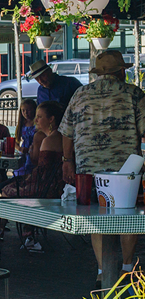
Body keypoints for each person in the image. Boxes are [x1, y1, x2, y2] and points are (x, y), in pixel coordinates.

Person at [59, 50, 145, 279]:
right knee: (129, 218)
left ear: (99, 73)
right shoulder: (133, 93)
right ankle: (127, 268)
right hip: (127, 171)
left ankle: (101, 270)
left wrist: (68, 161)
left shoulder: (80, 94)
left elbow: (66, 133)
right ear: (121, 72)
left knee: (98, 216)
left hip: (89, 170)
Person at [14, 99, 41, 178]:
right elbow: (15, 141)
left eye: (29, 110)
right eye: (23, 110)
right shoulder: (22, 124)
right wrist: (19, 148)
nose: (26, 113)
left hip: (35, 152)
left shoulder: (38, 124)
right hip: (24, 154)